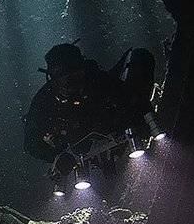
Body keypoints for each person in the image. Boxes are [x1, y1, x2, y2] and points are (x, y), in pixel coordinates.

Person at [23, 42, 154, 163]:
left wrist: (141, 119)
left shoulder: (99, 81)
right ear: (52, 77)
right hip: (79, 143)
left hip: (111, 126)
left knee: (140, 57)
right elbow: (31, 141)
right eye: (61, 73)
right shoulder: (44, 101)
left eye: (73, 69)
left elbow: (131, 97)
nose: (69, 79)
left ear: (83, 68)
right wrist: (56, 157)